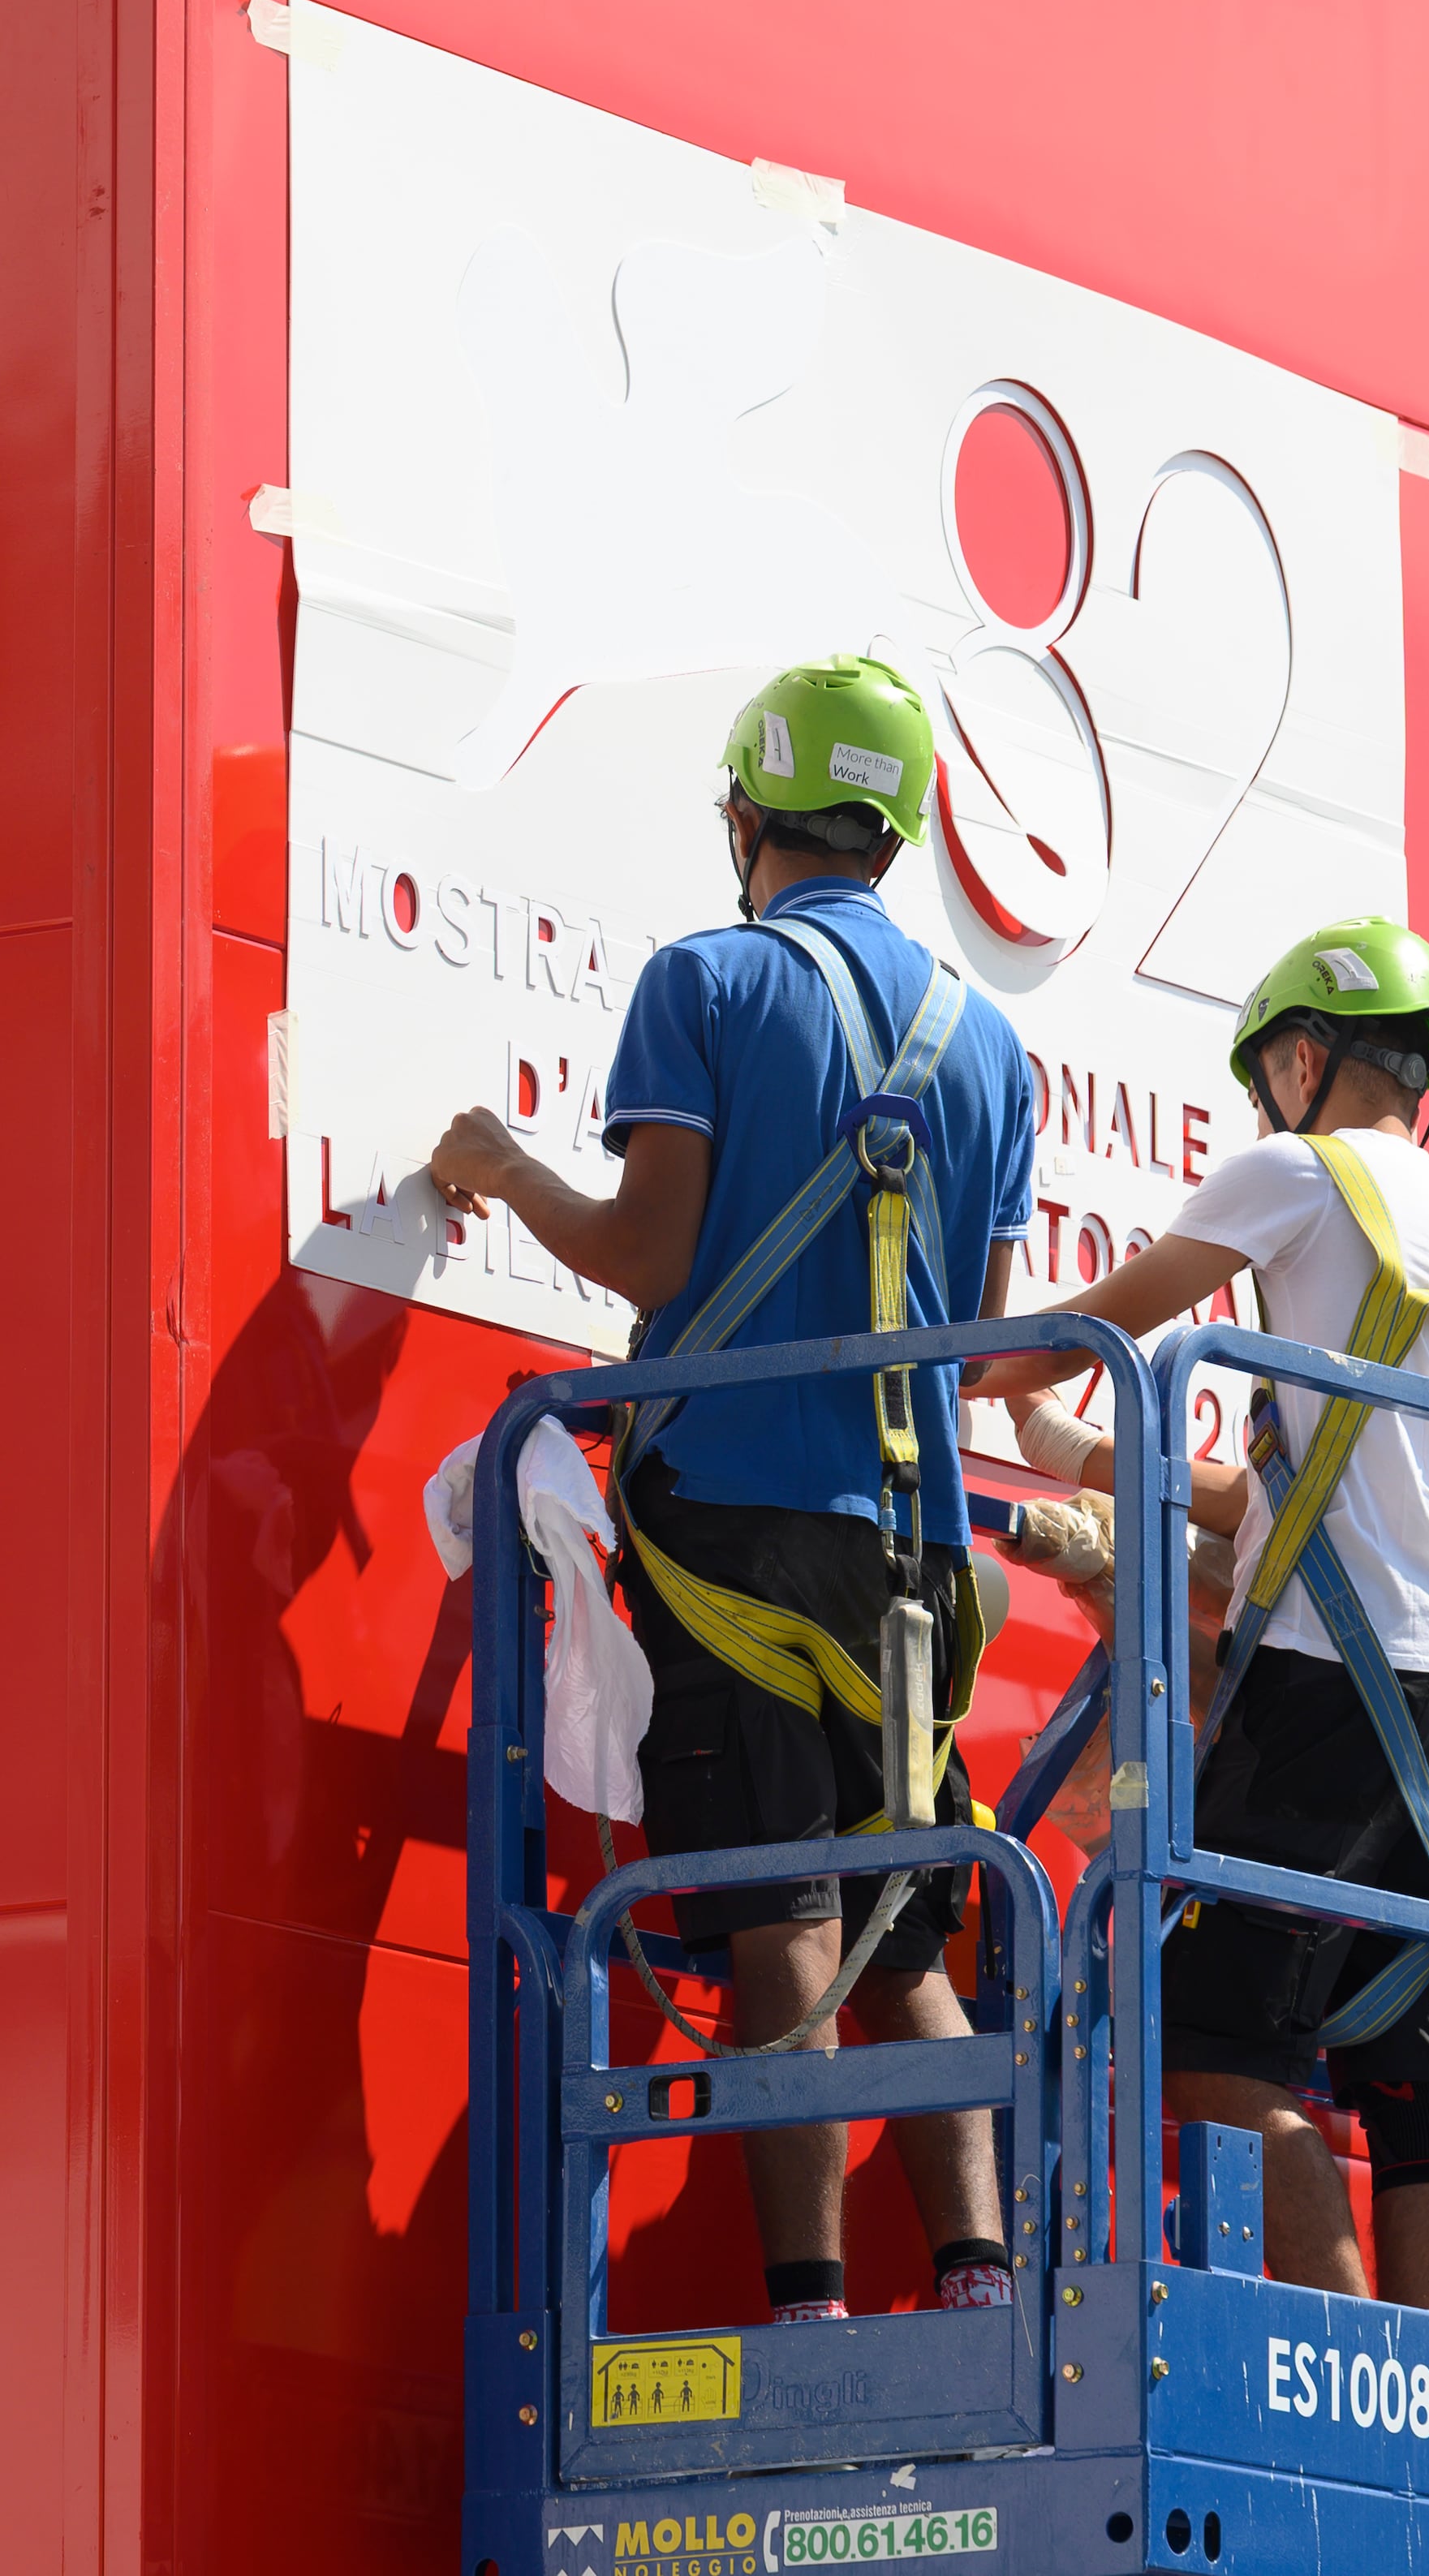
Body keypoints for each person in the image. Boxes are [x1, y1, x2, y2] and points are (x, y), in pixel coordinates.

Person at [424, 656, 1035, 2324]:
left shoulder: (708, 979)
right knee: (905, 1924)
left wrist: (498, 1165)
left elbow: (647, 1253)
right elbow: (975, 1341)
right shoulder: (991, 1044)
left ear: (749, 815)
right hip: (912, 1549)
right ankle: (978, 2279)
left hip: (737, 1528)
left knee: (784, 1903)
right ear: (897, 832)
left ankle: (812, 2296)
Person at [964, 918, 1429, 2309]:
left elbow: (1093, 1324)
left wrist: (955, 1372)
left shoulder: (1299, 1173)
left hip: (1331, 1685)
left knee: (1219, 2050)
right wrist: (1084, 1458)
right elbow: (1323, 1497)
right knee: (1407, 2053)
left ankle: (1333, 2357)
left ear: (1301, 1054)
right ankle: (1428, 2380)